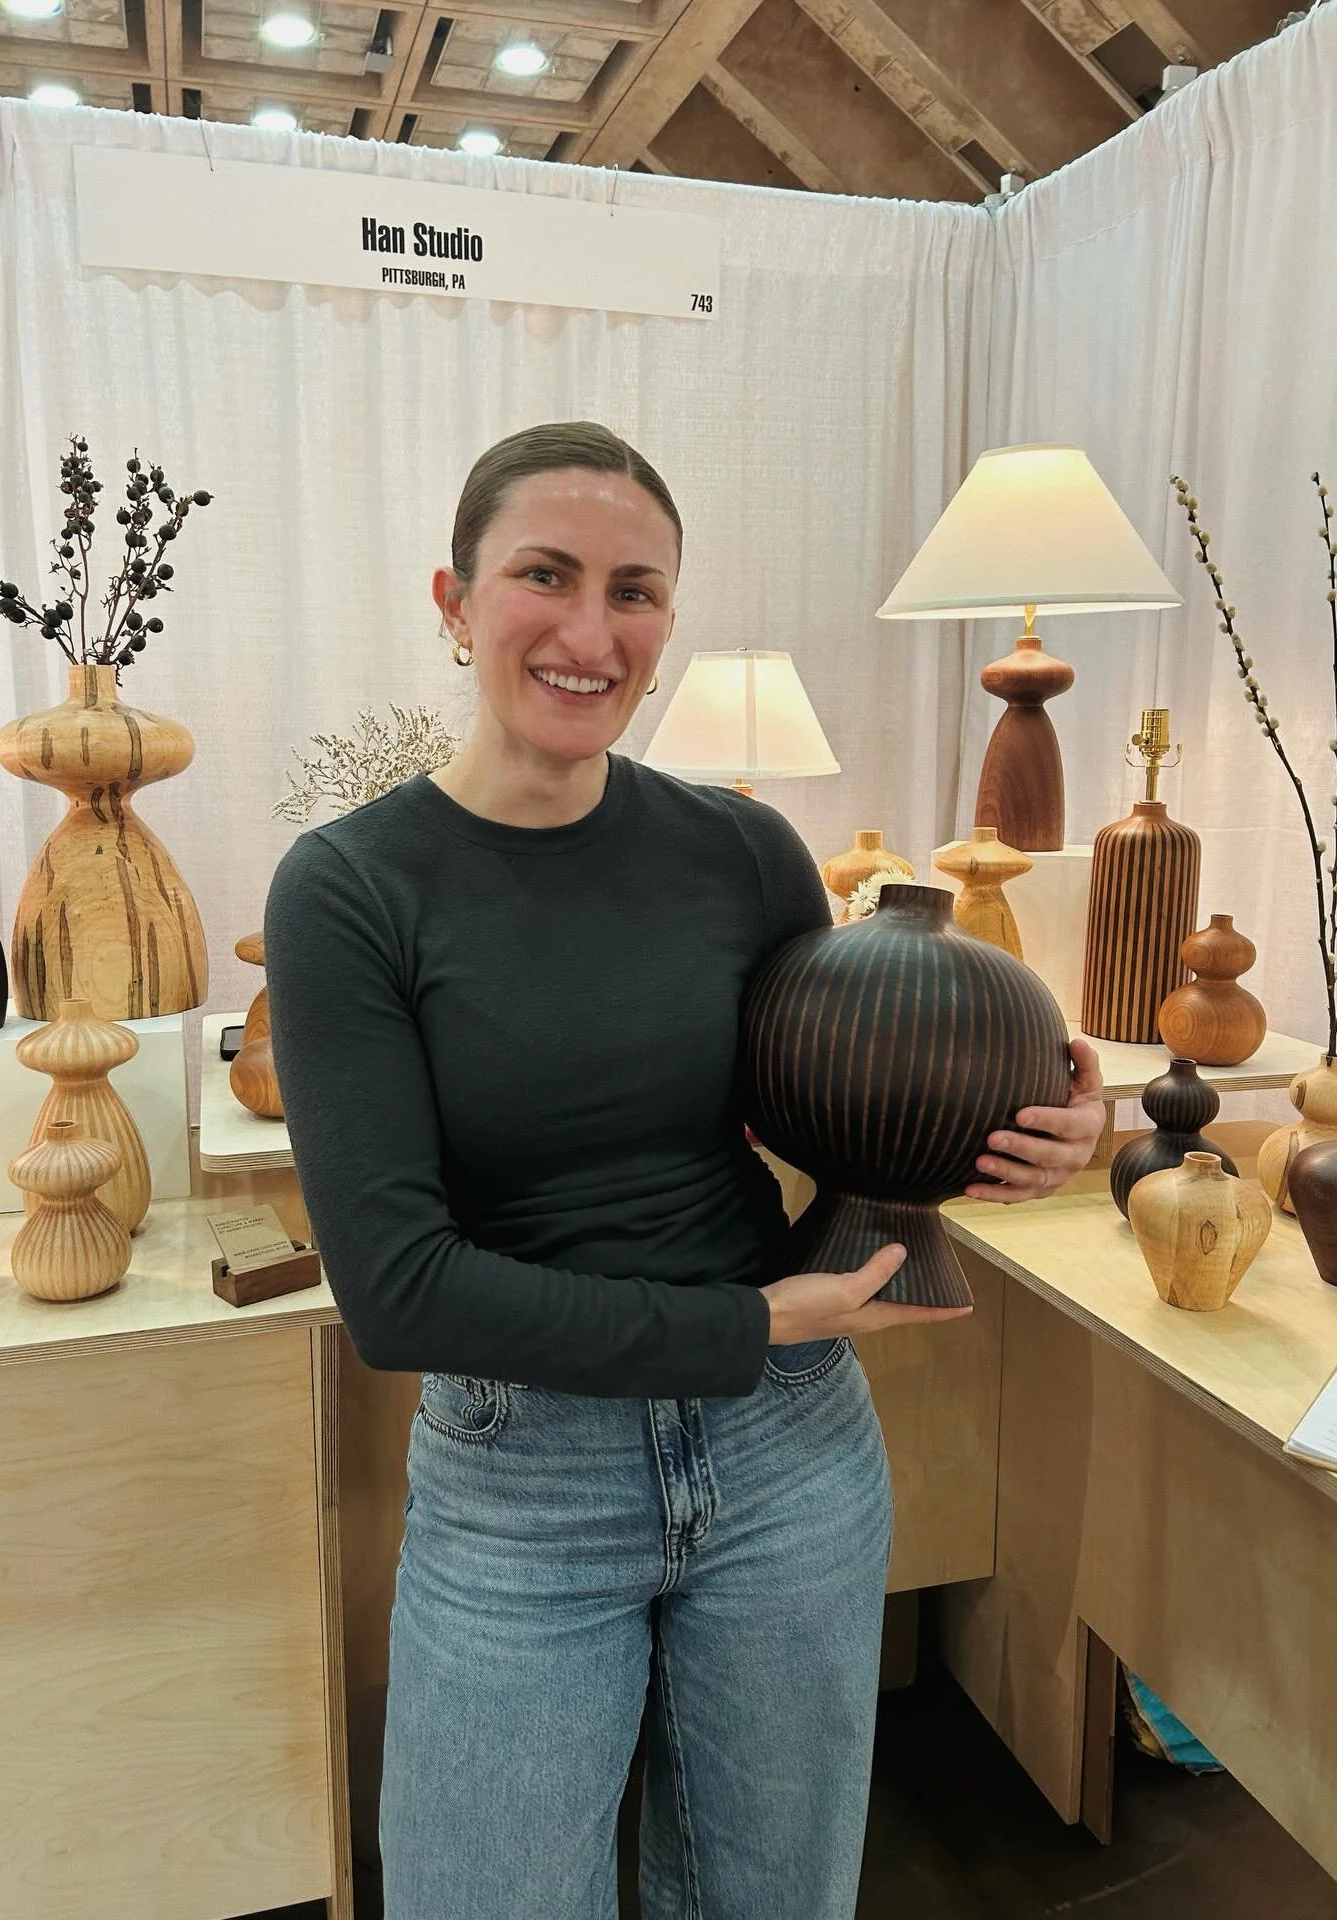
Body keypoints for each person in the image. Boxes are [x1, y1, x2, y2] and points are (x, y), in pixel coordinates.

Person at [264, 421, 1107, 1920]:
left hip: (789, 1461)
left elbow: (836, 1118)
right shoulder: (352, 890)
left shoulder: (742, 853)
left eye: (637, 591)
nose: (593, 631)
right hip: (527, 1482)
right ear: (454, 603)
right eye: (546, 575)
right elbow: (396, 1295)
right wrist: (751, 1325)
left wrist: (1030, 1128)